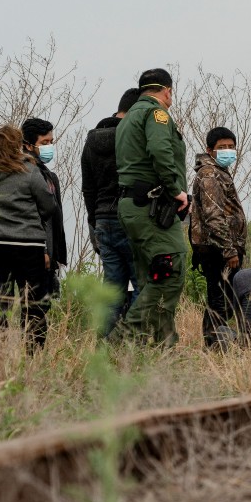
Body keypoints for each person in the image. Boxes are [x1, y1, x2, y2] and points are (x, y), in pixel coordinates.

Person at [113, 68, 189, 346]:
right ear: (167, 91)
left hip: (133, 205)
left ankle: (162, 349)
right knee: (170, 272)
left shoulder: (129, 116)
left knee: (153, 277)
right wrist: (176, 190)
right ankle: (119, 344)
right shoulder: (157, 114)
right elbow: (160, 150)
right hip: (152, 206)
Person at [0, 125, 59, 345]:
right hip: (26, 245)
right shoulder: (28, 171)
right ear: (18, 145)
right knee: (32, 302)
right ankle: (32, 354)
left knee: (1, 300)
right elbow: (48, 205)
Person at [81, 87, 142, 335]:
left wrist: (94, 223)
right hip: (131, 219)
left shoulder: (92, 140)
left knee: (112, 287)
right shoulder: (133, 138)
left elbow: (88, 188)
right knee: (142, 284)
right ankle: (135, 341)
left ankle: (106, 341)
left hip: (103, 220)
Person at [190, 126, 248, 348]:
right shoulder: (210, 174)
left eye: (231, 147)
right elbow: (214, 215)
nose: (228, 151)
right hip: (217, 249)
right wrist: (229, 249)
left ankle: (214, 342)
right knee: (220, 300)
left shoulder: (219, 172)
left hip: (221, 247)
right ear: (210, 150)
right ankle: (214, 344)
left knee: (223, 299)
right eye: (222, 147)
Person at [20, 118, 67, 295]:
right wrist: (44, 249)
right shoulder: (27, 173)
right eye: (44, 142)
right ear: (29, 145)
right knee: (35, 303)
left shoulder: (48, 174)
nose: (49, 147)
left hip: (49, 252)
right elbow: (34, 214)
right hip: (35, 250)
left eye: (51, 142)